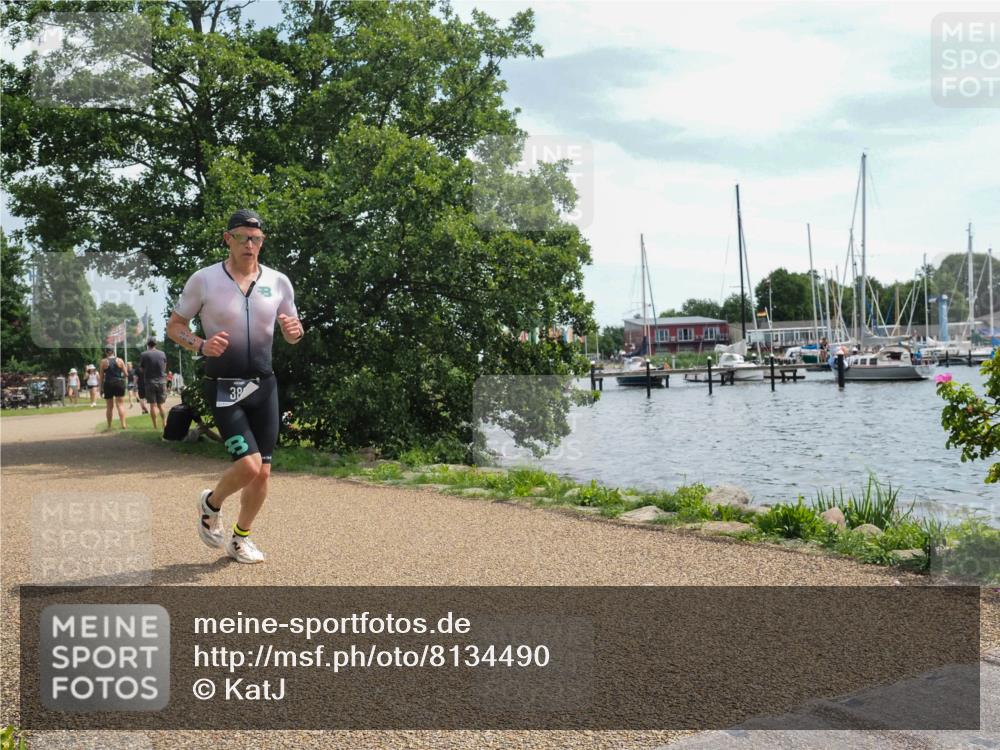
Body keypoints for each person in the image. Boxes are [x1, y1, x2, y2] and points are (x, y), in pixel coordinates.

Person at [167, 209, 304, 564]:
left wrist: (294, 332)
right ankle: (211, 503)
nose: (249, 244)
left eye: (255, 238)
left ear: (262, 242)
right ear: (227, 238)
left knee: (264, 473)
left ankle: (240, 540)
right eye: (242, 237)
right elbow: (175, 325)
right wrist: (199, 345)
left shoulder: (278, 281)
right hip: (224, 386)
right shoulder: (205, 279)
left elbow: (293, 328)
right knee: (248, 466)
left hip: (265, 386)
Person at [140, 338, 168, 429]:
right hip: (161, 381)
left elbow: (141, 369)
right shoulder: (162, 353)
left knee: (153, 405)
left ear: (148, 344)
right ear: (155, 344)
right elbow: (164, 367)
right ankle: (164, 424)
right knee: (161, 405)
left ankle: (155, 426)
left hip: (149, 382)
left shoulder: (144, 354)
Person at [99, 347, 129, 430]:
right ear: (113, 352)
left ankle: (109, 426)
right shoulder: (120, 360)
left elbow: (101, 377)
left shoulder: (103, 362)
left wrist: (100, 388)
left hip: (108, 383)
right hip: (119, 382)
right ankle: (123, 424)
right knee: (120, 405)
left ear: (106, 352)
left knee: (109, 406)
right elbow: (126, 374)